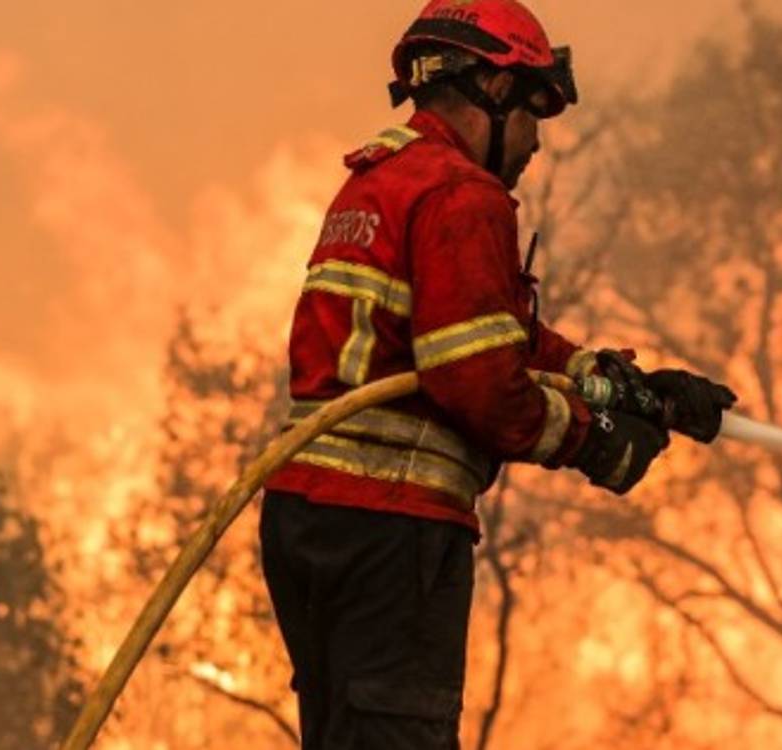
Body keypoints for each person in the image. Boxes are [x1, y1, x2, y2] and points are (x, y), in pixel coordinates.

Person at [258, 2, 736, 747]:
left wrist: (596, 374)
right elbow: (477, 380)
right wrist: (592, 439)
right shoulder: (461, 195)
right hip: (395, 525)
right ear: (493, 89)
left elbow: (476, 329)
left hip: (309, 523)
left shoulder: (378, 181)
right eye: (534, 112)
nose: (536, 143)